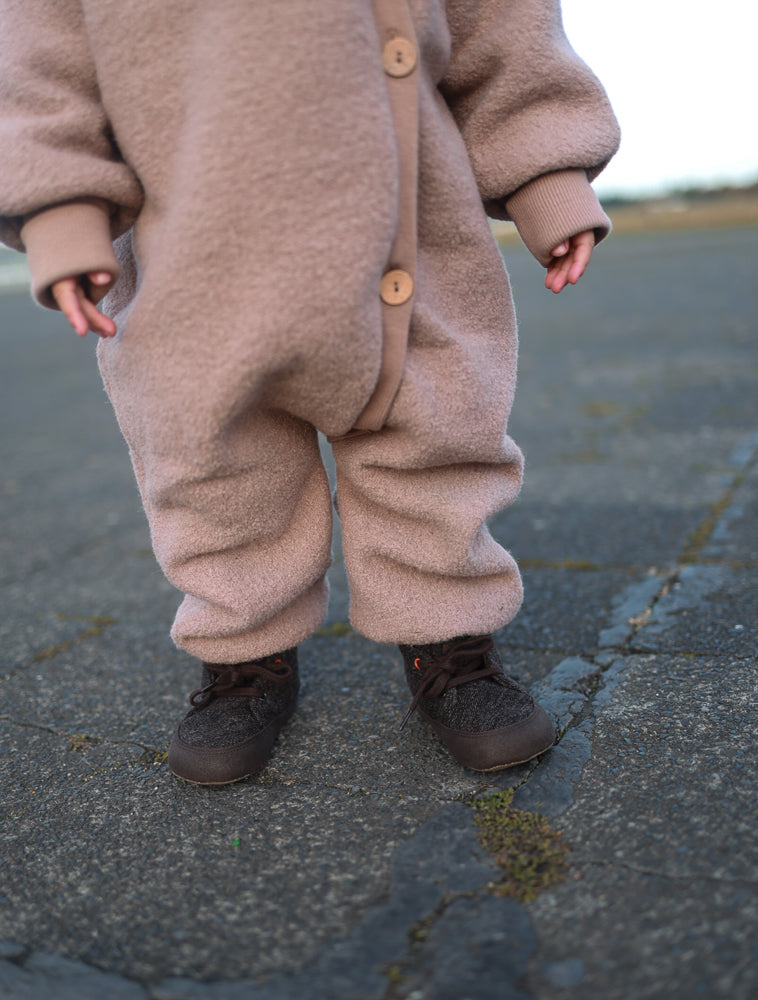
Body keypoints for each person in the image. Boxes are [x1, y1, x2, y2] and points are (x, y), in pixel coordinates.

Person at [0, 0, 619, 785]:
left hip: (409, 229)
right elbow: (39, 58)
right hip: (188, 248)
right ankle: (246, 652)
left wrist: (547, 172)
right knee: (213, 468)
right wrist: (60, 212)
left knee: (434, 432)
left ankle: (449, 637)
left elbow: (502, 24)